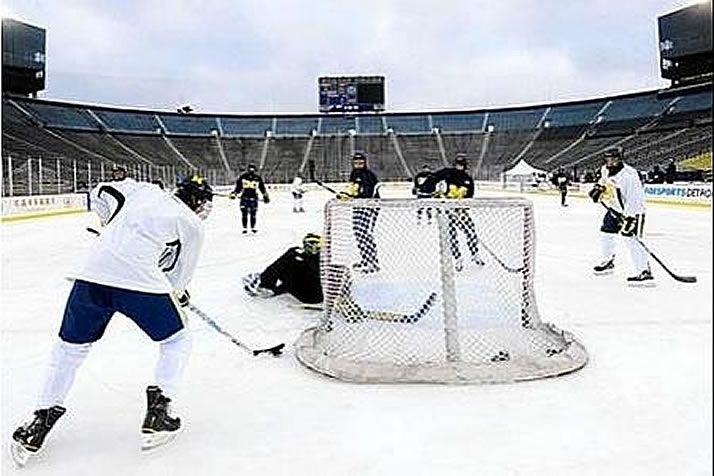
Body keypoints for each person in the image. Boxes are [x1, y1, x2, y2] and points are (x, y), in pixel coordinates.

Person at [9, 176, 212, 465]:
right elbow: (180, 275)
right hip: (141, 284)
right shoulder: (192, 224)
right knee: (177, 339)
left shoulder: (143, 190)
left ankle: (39, 422)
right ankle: (158, 412)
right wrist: (177, 294)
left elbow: (100, 191)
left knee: (68, 350)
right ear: (198, 200)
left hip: (91, 275)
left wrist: (111, 223)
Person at [588, 147, 652, 285]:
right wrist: (599, 188)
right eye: (608, 159)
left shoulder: (629, 175)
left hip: (634, 212)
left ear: (620, 159)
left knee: (632, 240)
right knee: (606, 233)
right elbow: (604, 181)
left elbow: (635, 198)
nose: (610, 162)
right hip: (615, 208)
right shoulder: (605, 169)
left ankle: (644, 271)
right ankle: (608, 261)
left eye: (614, 159)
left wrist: (630, 218)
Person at [424, 153, 484, 272]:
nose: (459, 166)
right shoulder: (447, 173)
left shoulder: (468, 179)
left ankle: (475, 254)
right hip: (446, 211)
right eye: (457, 164)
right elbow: (432, 180)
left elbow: (469, 196)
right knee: (452, 235)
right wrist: (426, 188)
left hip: (460, 211)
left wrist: (462, 208)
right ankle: (457, 258)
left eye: (461, 165)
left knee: (471, 232)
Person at [242, 232, 323, 304]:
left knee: (291, 257)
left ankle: (264, 283)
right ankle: (267, 282)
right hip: (318, 293)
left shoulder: (305, 257)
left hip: (311, 295)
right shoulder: (324, 257)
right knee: (293, 257)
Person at [338, 151, 381, 273]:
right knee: (359, 234)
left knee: (365, 234)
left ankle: (372, 263)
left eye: (361, 162)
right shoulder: (354, 174)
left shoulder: (368, 175)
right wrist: (346, 194)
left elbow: (367, 193)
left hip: (369, 208)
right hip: (358, 207)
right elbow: (354, 189)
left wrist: (354, 196)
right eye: (356, 162)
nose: (358, 164)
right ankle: (366, 259)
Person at [229, 164, 270, 234]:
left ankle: (253, 228)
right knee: (244, 213)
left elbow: (262, 188)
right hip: (244, 197)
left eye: (253, 169)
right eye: (250, 168)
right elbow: (238, 187)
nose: (251, 170)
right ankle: (244, 228)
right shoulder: (243, 177)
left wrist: (265, 196)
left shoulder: (257, 178)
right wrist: (234, 194)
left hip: (254, 198)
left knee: (253, 213)